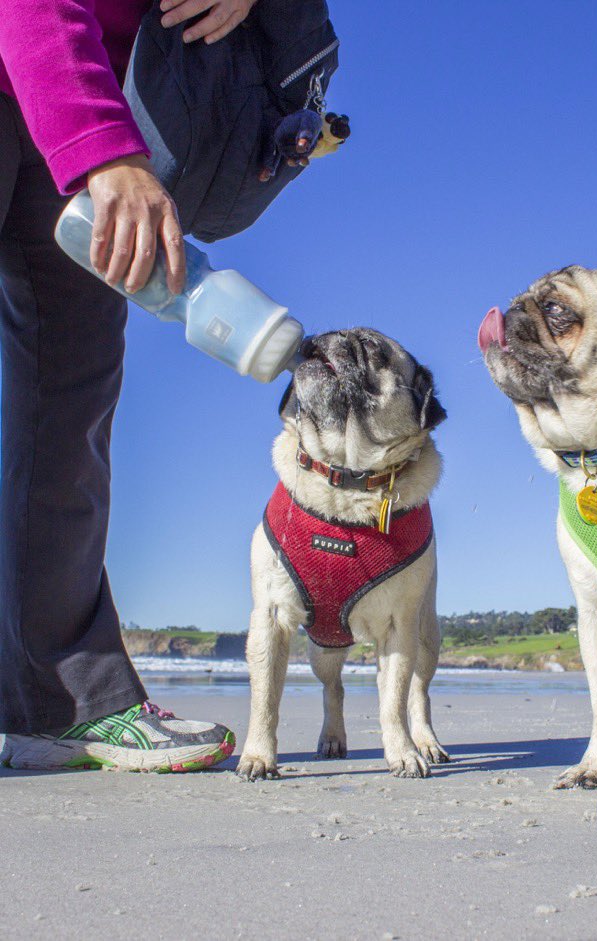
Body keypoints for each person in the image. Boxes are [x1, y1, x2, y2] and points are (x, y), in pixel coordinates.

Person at [0, 0, 258, 772]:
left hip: (82, 99)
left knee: (69, 411)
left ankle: (66, 706)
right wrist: (104, 150)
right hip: (70, 96)